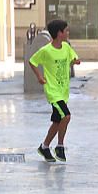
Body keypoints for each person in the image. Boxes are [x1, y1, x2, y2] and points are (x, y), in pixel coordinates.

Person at [29, 19, 80, 162]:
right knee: (67, 116)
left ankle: (44, 147)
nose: (68, 33)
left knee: (57, 121)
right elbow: (32, 61)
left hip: (63, 91)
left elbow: (73, 58)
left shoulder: (66, 47)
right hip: (53, 91)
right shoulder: (46, 50)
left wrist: (75, 61)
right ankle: (60, 146)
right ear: (59, 33)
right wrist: (39, 76)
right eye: (66, 30)